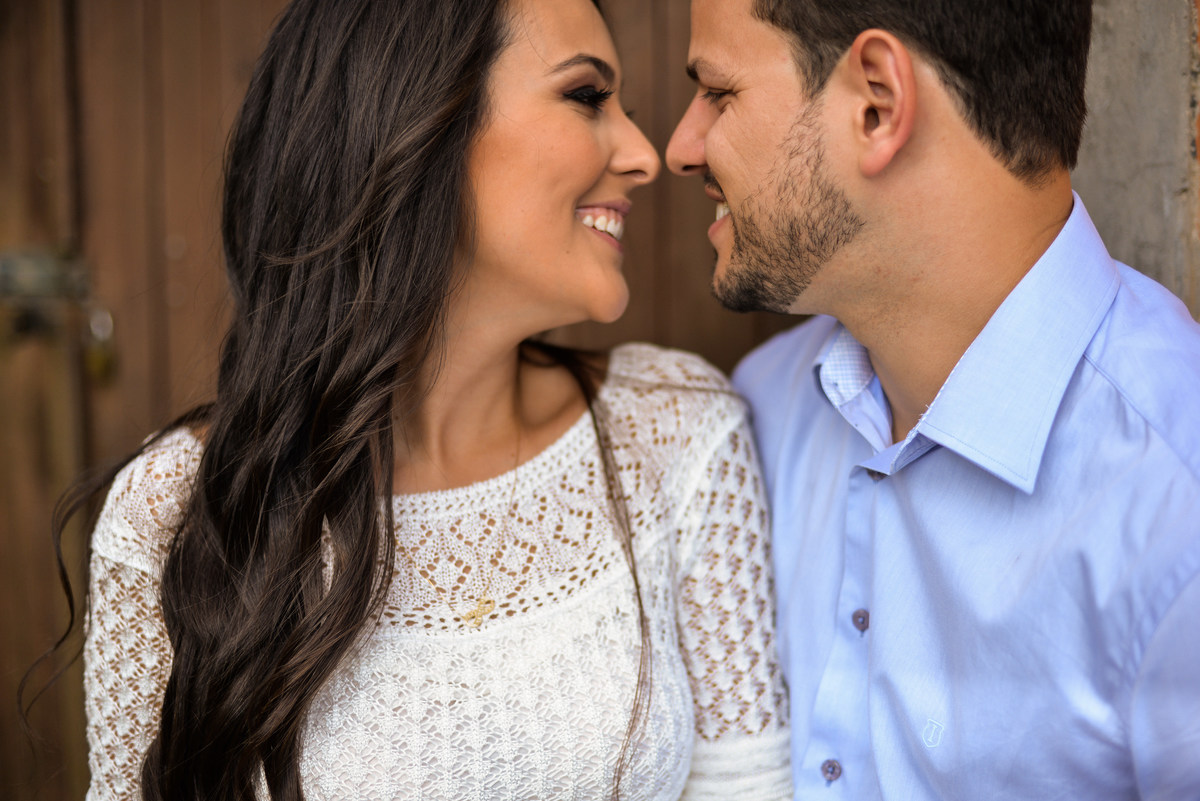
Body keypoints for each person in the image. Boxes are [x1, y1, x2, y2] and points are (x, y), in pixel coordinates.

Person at [58, 0, 794, 798]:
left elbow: (748, 784)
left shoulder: (677, 432)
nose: (646, 155)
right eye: (586, 97)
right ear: (416, 122)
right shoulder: (177, 511)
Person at [666, 0, 1200, 798]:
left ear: (878, 103)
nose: (679, 146)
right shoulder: (753, 417)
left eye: (718, 92)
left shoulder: (1174, 508)